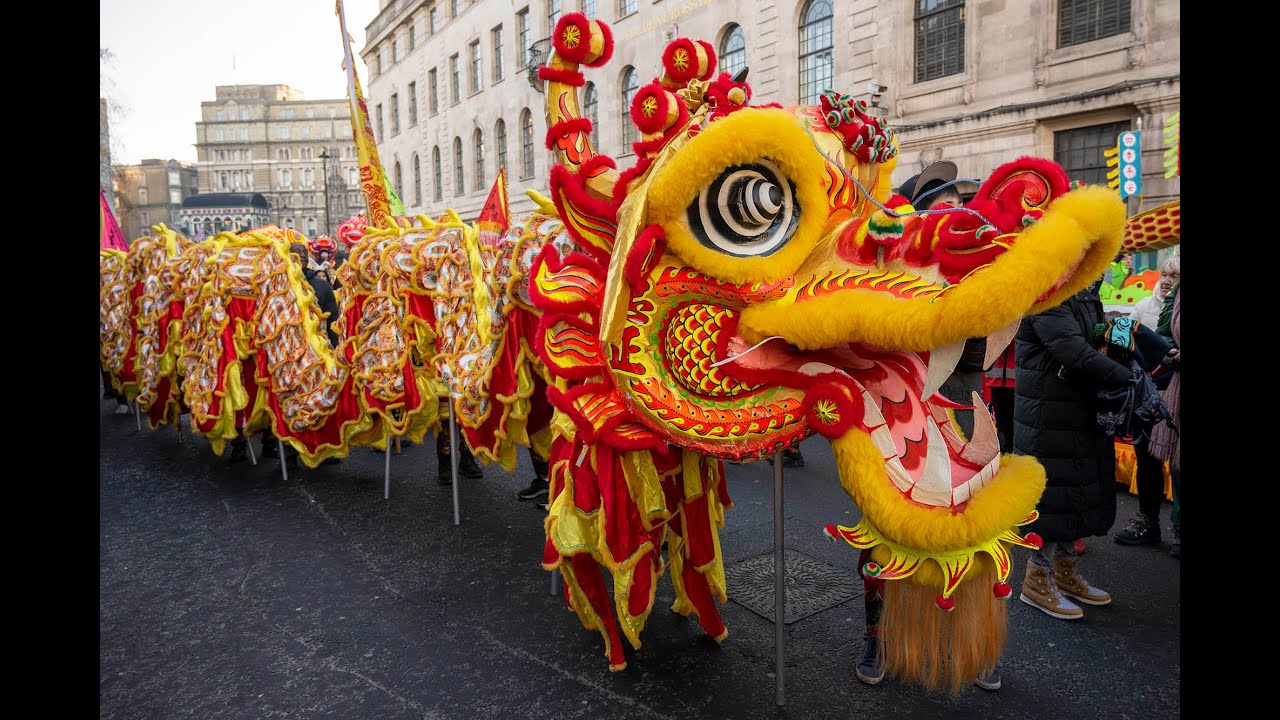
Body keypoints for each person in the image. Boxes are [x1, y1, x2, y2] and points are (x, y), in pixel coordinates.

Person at [857, 162, 998, 691]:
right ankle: (879, 637)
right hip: (888, 427)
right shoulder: (887, 280)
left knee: (968, 539)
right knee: (881, 541)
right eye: (933, 214)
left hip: (955, 421)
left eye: (950, 214)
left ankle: (972, 645)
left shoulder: (974, 282)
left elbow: (972, 362)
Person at [1013, 280, 1133, 620]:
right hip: (1048, 416)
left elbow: (1093, 341)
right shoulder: (1045, 291)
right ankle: (1037, 580)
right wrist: (1130, 378)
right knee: (1054, 496)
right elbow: (1074, 352)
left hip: (1079, 409)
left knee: (1079, 489)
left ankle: (1065, 573)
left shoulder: (1084, 291)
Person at [1114, 253, 1179, 547]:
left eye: (1174, 276)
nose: (1166, 281)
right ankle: (1147, 521)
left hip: (1175, 395)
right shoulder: (1143, 307)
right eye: (1164, 274)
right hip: (1148, 396)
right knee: (1147, 458)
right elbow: (1123, 345)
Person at [1147, 277, 1180, 558]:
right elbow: (1163, 336)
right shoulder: (1177, 294)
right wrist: (1168, 355)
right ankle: (1176, 528)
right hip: (1173, 386)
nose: (1169, 281)